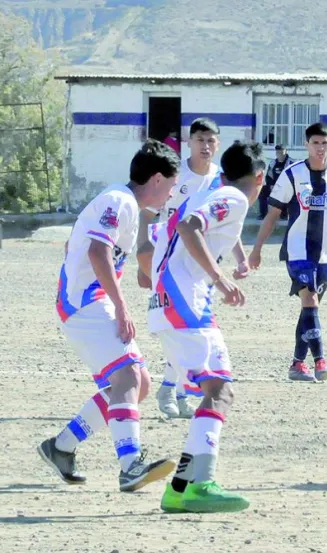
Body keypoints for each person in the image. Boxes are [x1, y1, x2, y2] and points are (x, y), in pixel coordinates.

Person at [38, 139, 180, 492]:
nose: (172, 194)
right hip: (84, 303)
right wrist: (121, 307)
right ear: (158, 179)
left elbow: (82, 245)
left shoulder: (124, 204)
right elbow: (98, 252)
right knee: (129, 376)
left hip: (86, 301)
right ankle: (130, 466)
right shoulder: (119, 201)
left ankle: (61, 447)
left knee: (138, 384)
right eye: (173, 185)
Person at [140, 140, 264, 513]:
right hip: (185, 300)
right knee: (218, 390)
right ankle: (199, 484)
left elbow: (167, 230)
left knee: (219, 391)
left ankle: (181, 488)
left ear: (223, 172)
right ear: (260, 177)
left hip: (180, 301)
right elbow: (189, 226)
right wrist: (220, 277)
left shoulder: (208, 194)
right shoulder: (235, 198)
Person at [248, 122, 327, 382]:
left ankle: (297, 364)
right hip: (297, 251)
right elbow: (272, 214)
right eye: (315, 143)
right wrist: (257, 249)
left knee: (309, 308)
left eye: (325, 143)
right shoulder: (292, 174)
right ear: (307, 145)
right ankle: (320, 361)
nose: (320, 148)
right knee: (310, 301)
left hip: (325, 253)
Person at [138, 117, 223, 419]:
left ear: (218, 143)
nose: (206, 145)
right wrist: (142, 254)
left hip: (200, 266)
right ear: (189, 142)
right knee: (180, 327)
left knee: (189, 329)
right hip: (168, 261)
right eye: (200, 139)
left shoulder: (219, 180)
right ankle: (173, 389)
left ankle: (176, 390)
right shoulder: (176, 174)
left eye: (211, 140)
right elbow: (149, 213)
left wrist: (240, 258)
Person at [260, 144, 293, 220]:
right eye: (278, 153)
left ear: (286, 152)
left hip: (287, 186)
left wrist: (283, 185)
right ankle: (263, 214)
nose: (280, 154)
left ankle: (284, 214)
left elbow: (294, 177)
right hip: (274, 186)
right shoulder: (273, 163)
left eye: (282, 152)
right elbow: (268, 176)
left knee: (286, 193)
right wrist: (271, 185)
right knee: (262, 191)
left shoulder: (291, 163)